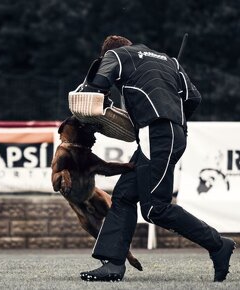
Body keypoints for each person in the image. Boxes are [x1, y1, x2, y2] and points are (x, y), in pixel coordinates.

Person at [77, 35, 235, 282]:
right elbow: (194, 98)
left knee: (155, 208)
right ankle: (113, 263)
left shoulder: (116, 55)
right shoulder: (169, 60)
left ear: (109, 52)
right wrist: (171, 114)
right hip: (171, 134)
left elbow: (95, 88)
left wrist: (94, 106)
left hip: (156, 133)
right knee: (125, 196)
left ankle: (218, 245)